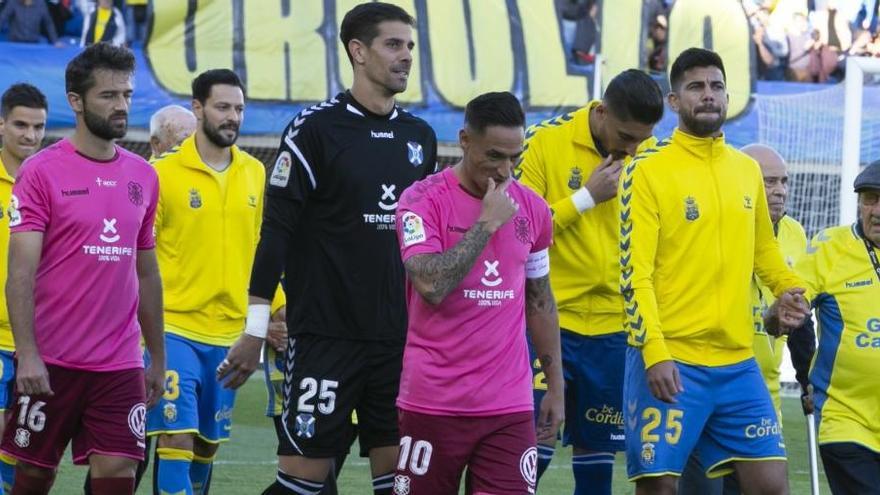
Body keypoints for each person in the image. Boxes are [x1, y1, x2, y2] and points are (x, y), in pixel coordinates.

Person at [219, 3, 438, 494]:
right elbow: (275, 233)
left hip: (398, 344)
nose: (406, 56)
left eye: (410, 46)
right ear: (358, 52)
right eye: (393, 45)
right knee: (304, 483)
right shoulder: (315, 129)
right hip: (325, 339)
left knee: (402, 483)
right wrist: (256, 331)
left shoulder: (419, 138)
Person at [619, 47, 811, 495]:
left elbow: (765, 251)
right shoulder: (647, 171)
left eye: (717, 86)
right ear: (673, 101)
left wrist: (789, 289)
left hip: (736, 362)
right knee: (659, 489)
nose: (709, 96)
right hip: (672, 359)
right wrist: (655, 352)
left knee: (771, 485)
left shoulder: (745, 171)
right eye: (696, 87)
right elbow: (634, 275)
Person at [0, 42, 164, 495]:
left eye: (127, 95)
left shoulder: (144, 176)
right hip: (52, 361)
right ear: (76, 101)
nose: (122, 106)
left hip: (120, 361)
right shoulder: (40, 172)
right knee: (34, 473)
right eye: (108, 96)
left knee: (118, 471)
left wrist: (157, 357)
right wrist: (28, 353)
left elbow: (147, 273)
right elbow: (21, 273)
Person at [391, 91, 564, 495]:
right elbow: (431, 286)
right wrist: (485, 225)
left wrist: (555, 387)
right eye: (494, 157)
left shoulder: (533, 209)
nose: (505, 171)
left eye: (514, 158)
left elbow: (540, 302)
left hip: (510, 405)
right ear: (465, 140)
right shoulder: (421, 201)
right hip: (434, 402)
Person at [515, 68, 663, 495]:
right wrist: (585, 198)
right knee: (531, 454)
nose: (633, 147)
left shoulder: (652, 155)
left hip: (615, 330)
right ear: (600, 112)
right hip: (547, 323)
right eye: (625, 136)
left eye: (642, 138)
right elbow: (520, 231)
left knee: (597, 466)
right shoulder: (545, 141)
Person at [144, 68, 276, 495]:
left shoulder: (255, 172)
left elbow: (260, 250)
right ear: (197, 108)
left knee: (206, 445)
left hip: (232, 334)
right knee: (176, 438)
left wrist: (278, 308)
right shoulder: (161, 174)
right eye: (223, 107)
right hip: (173, 329)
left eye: (238, 108)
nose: (232, 116)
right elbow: (138, 255)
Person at [787, 161, 880, 495]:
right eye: (871, 198)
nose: (877, 210)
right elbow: (796, 312)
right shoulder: (830, 247)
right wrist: (804, 377)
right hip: (846, 419)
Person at [0, 82, 47, 493]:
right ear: (1, 125)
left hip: (36, 340)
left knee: (20, 449)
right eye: (20, 125)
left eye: (38, 127)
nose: (30, 136)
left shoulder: (54, 179)